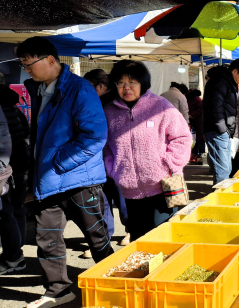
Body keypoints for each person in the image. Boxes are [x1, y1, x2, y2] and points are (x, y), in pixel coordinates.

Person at [18, 36, 112, 308]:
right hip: (47, 180)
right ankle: (57, 291)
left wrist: (57, 163)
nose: (27, 70)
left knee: (97, 238)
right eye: (23, 65)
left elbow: (95, 137)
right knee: (47, 240)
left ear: (50, 60)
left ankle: (114, 284)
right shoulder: (38, 89)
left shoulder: (80, 89)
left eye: (29, 64)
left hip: (77, 180)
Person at [103, 60, 191, 241]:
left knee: (162, 237)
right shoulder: (109, 111)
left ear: (142, 83)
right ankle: (145, 271)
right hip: (128, 189)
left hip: (162, 186)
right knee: (139, 239)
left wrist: (168, 164)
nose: (126, 88)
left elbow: (182, 137)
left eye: (132, 82)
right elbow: (104, 146)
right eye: (121, 83)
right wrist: (113, 168)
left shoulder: (160, 106)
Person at [83, 69, 130, 256]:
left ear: (100, 86)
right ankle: (105, 237)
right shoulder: (89, 102)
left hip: (117, 157)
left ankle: (130, 231)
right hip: (96, 158)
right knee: (102, 200)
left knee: (122, 197)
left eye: (89, 87)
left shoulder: (116, 104)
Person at [202, 58, 239, 185]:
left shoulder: (226, 82)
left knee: (224, 167)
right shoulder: (220, 82)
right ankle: (220, 197)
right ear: (234, 71)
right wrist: (222, 129)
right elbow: (215, 108)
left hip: (222, 129)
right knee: (223, 169)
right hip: (217, 130)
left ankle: (219, 193)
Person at [0, 83, 29, 276]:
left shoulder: (2, 111)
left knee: (6, 212)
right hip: (21, 163)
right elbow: (26, 133)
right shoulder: (15, 109)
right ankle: (16, 252)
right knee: (16, 208)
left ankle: (14, 255)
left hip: (8, 167)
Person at [186, 89, 204, 164]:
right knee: (195, 139)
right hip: (195, 122)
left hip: (198, 122)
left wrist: (192, 115)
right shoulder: (194, 98)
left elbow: (201, 109)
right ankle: (196, 156)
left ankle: (198, 156)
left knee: (198, 139)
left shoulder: (195, 99)